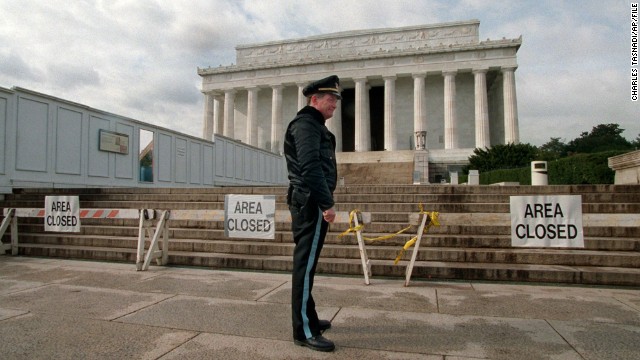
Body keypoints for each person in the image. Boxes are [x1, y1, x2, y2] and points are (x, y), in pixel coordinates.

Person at [284, 75, 340, 352]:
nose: (335, 105)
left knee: (307, 267)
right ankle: (304, 331)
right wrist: (326, 203)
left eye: (337, 100)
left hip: (308, 201)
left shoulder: (313, 125)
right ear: (314, 99)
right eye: (331, 99)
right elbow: (310, 167)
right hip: (311, 203)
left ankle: (311, 320)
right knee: (304, 269)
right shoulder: (307, 125)